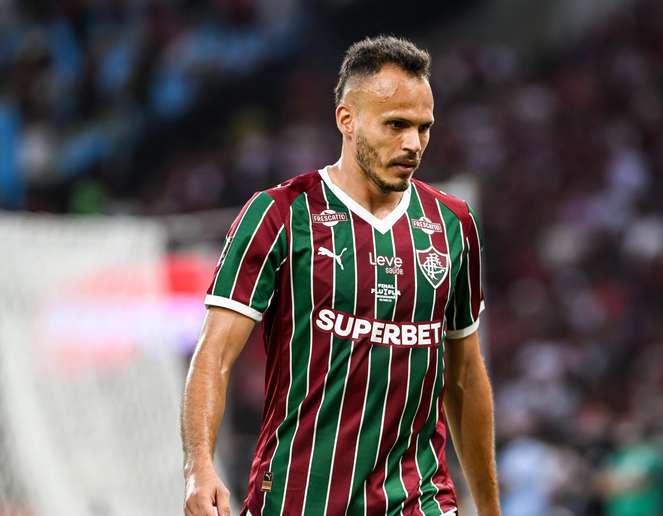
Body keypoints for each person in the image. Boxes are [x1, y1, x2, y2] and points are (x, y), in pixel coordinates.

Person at [181, 35, 500, 516]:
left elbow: (465, 378)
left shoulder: (452, 224)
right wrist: (199, 467)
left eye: (423, 128)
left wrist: (491, 509)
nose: (413, 144)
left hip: (418, 498)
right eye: (396, 125)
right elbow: (214, 355)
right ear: (346, 120)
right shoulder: (279, 214)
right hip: (298, 498)